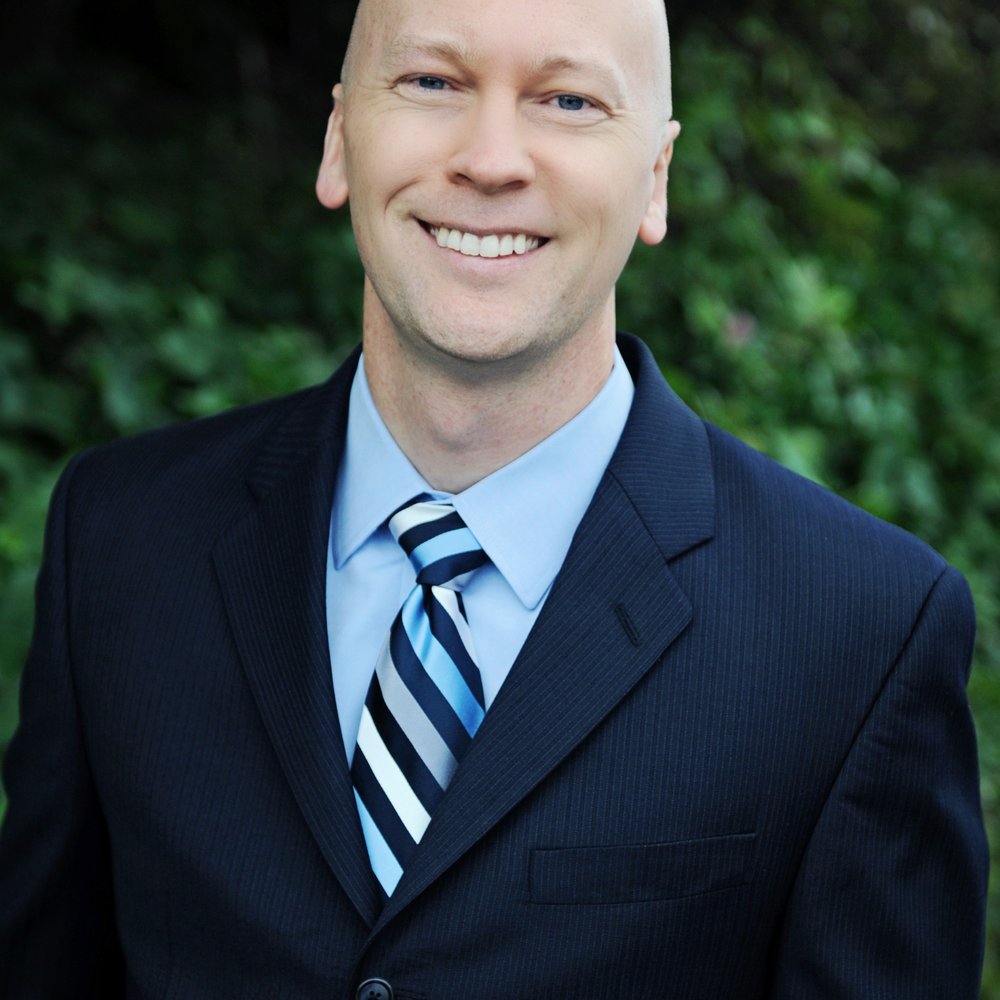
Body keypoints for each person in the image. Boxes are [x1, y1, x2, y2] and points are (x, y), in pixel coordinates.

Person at [0, 0, 988, 996]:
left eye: (568, 100)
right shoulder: (121, 538)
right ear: (340, 140)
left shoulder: (864, 631)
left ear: (655, 177)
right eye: (432, 81)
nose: (490, 159)